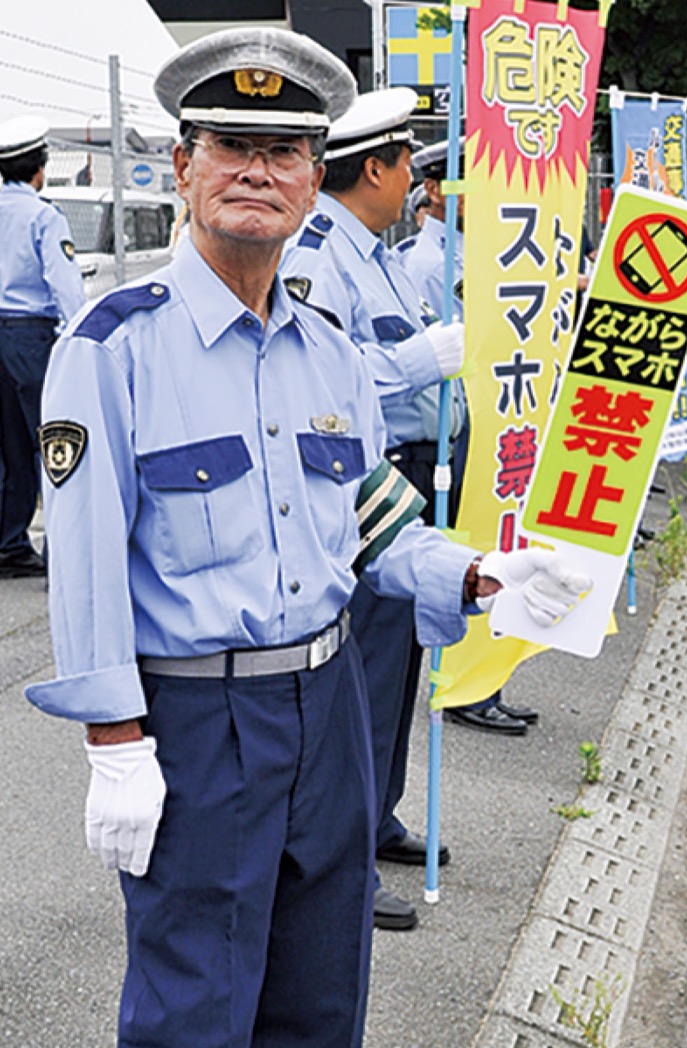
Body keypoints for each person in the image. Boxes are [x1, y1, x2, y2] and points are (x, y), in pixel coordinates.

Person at [25, 28, 589, 1048]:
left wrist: (468, 574)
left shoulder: (327, 335)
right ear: (184, 167)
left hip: (325, 695)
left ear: (307, 174)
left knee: (317, 986)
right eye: (236, 148)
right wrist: (114, 740)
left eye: (287, 153)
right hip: (194, 719)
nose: (261, 174)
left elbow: (364, 512)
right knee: (190, 1018)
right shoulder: (116, 347)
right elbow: (88, 559)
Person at [280, 89, 465, 933]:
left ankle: (378, 812)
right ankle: (341, 860)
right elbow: (326, 376)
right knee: (359, 685)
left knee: (396, 679)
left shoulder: (380, 253)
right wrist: (420, 361)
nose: (415, 183)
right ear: (376, 169)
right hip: (365, 485)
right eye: (405, 165)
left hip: (412, 474)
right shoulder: (320, 255)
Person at [406, 136, 539, 736]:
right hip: (451, 434)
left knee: (492, 541)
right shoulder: (431, 264)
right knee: (461, 552)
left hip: (487, 423)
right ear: (435, 190)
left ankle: (485, 681)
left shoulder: (474, 256)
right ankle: (463, 685)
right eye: (465, 184)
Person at [0, 114, 86, 577]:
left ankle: (9, 544)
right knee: (53, 444)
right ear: (41, 168)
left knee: (8, 447)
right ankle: (61, 553)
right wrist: (80, 339)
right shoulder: (43, 215)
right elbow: (65, 285)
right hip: (30, 337)